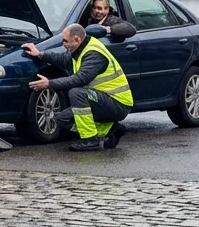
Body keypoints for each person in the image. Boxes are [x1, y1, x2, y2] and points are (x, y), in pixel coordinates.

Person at [22, 24, 134, 152]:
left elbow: (79, 79)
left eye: (66, 41)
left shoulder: (93, 54)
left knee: (77, 93)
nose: (63, 44)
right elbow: (64, 59)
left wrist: (49, 84)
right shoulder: (81, 48)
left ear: (77, 40)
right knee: (62, 118)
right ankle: (111, 130)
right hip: (102, 100)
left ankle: (90, 140)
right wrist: (40, 54)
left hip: (117, 103)